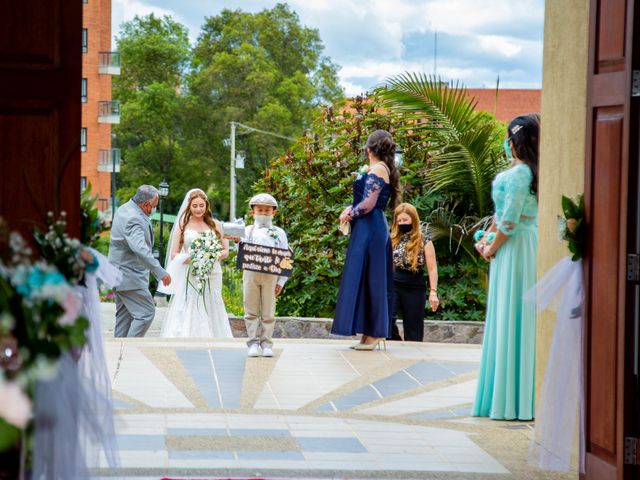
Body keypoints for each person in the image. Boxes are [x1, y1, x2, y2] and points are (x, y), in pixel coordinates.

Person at [472, 113, 540, 421]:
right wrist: (488, 238)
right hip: (525, 244)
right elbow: (504, 218)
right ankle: (519, 396)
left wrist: (490, 248)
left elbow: (509, 220)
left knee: (511, 314)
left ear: (516, 142)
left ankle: (510, 400)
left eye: (509, 139)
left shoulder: (520, 174)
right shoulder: (533, 172)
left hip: (513, 249)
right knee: (518, 317)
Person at [332, 129, 401, 350]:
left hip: (370, 229)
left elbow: (369, 203)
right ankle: (368, 332)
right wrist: (351, 207)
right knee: (364, 277)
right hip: (368, 228)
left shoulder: (379, 168)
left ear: (368, 149)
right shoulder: (379, 168)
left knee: (373, 279)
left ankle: (374, 333)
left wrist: (349, 213)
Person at [159, 189, 233, 338]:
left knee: (213, 300)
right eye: (195, 206)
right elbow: (174, 254)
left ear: (206, 205)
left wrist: (211, 255)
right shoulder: (182, 225)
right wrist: (195, 258)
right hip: (191, 271)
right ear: (189, 207)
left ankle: (215, 335)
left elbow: (226, 250)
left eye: (201, 205)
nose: (198, 209)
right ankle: (191, 334)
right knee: (193, 300)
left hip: (213, 272)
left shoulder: (217, 225)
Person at [108, 185, 171, 337]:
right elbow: (140, 249)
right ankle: (130, 350)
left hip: (119, 274)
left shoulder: (124, 208)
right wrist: (160, 272)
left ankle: (119, 353)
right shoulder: (134, 218)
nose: (154, 209)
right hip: (129, 275)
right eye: (154, 206)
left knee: (125, 317)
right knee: (146, 313)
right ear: (146, 204)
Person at [242, 193, 289, 358]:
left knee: (269, 311)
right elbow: (241, 250)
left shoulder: (279, 233)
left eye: (267, 210)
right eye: (259, 210)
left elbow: (286, 257)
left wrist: (281, 281)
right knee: (251, 309)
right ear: (253, 212)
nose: (263, 213)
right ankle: (253, 343)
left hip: (271, 276)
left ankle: (267, 344)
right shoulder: (247, 231)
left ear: (273, 212)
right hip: (251, 274)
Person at [389, 203, 439, 342]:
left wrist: (433, 292)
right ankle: (396, 343)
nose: (401, 223)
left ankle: (411, 354)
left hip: (415, 287)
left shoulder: (425, 241)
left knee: (414, 330)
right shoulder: (392, 239)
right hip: (394, 284)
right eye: (399, 221)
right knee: (387, 318)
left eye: (405, 220)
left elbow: (432, 268)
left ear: (413, 220)